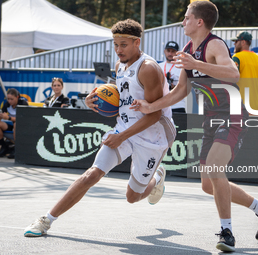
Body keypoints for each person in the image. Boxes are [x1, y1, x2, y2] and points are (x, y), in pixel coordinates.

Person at [131, 1, 258, 252]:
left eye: (186, 17)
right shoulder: (189, 48)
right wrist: (150, 107)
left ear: (199, 22)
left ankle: (227, 232)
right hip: (211, 118)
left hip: (232, 113)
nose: (183, 21)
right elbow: (181, 90)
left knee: (214, 168)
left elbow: (233, 73)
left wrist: (197, 65)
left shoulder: (215, 44)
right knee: (207, 184)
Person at [24, 19, 175, 238]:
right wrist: (94, 102)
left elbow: (154, 115)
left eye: (123, 45)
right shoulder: (119, 66)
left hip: (153, 135)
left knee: (133, 197)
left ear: (137, 43)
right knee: (91, 175)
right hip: (124, 128)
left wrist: (121, 136)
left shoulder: (148, 69)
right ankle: (46, 220)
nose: (118, 50)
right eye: (115, 44)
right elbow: (122, 101)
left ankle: (157, 178)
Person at [231, 31, 258, 111]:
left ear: (243, 42)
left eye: (236, 41)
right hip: (255, 107)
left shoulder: (237, 57)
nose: (234, 44)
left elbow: (231, 78)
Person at [0, 88, 28, 158]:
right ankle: (4, 146)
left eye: (11, 99)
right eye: (8, 99)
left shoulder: (23, 103)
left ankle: (17, 148)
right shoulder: (7, 104)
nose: (9, 101)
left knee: (16, 124)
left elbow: (23, 119)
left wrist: (8, 118)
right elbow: (2, 115)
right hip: (11, 126)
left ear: (17, 97)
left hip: (22, 126)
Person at [158, 41, 186, 113]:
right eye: (168, 51)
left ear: (177, 53)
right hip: (161, 105)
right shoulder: (158, 66)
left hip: (178, 105)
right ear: (164, 51)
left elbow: (185, 86)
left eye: (173, 51)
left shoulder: (182, 65)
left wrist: (175, 86)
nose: (170, 53)